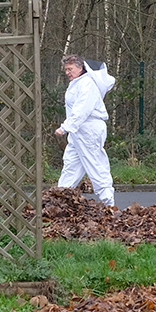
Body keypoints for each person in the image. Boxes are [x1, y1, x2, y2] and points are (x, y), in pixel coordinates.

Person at [54, 54, 117, 207]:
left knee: (95, 165)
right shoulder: (78, 83)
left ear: (80, 67)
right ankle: (59, 200)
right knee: (71, 165)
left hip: (88, 130)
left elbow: (82, 109)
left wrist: (65, 127)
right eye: (66, 70)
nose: (68, 72)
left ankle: (109, 204)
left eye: (70, 69)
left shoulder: (87, 84)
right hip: (79, 132)